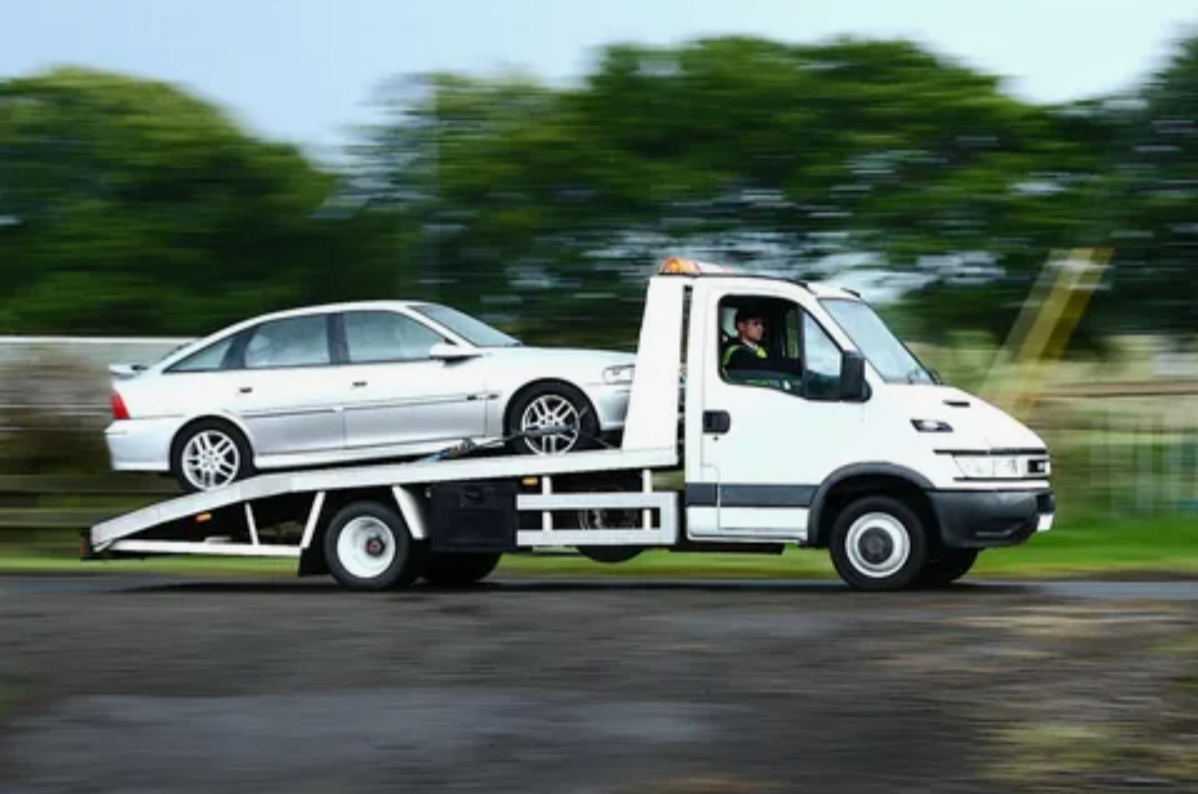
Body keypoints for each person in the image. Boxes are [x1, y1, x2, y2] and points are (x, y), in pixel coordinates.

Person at [722, 307, 775, 375]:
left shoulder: (763, 349)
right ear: (741, 326)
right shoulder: (734, 352)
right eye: (756, 323)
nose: (761, 328)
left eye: (762, 324)